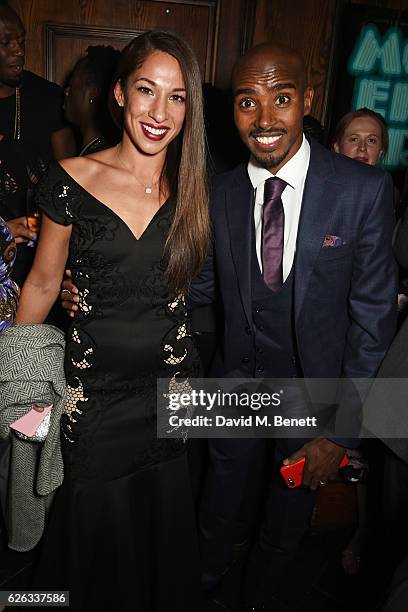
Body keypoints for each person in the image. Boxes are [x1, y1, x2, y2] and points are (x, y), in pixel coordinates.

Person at [187, 43, 397, 611]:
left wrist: (340, 435)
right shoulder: (221, 191)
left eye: (281, 99)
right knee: (214, 512)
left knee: (283, 527)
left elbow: (373, 324)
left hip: (313, 403)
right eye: (247, 102)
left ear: (306, 101)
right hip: (233, 390)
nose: (264, 119)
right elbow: (199, 288)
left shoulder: (362, 191)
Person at [14, 30, 209, 612]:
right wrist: (18, 393)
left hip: (171, 397)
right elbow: (44, 284)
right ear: (120, 93)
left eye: (176, 98)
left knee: (160, 540)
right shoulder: (70, 179)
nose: (160, 111)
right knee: (88, 541)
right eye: (147, 90)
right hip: (94, 403)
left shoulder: (195, 186)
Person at [0, 1, 75, 286]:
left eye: (20, 40)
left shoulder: (47, 98)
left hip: (36, 259)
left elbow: (70, 182)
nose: (18, 50)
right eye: (5, 43)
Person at [64, 45, 121, 155]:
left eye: (71, 85)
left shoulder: (95, 160)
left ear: (93, 92)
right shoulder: (104, 150)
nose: (66, 91)